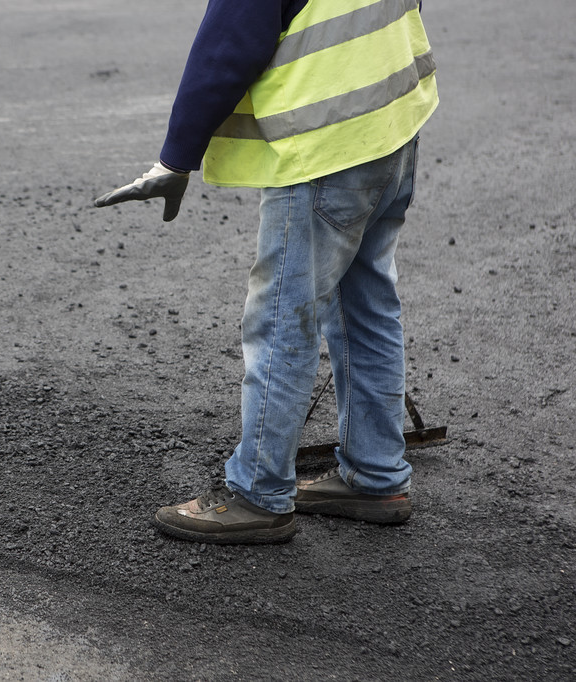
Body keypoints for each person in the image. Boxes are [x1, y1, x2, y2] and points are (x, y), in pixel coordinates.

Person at [95, 0, 438, 544]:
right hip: (392, 121)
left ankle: (258, 492)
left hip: (324, 144)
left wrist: (175, 158)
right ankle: (375, 475)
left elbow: (230, 43)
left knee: (282, 318)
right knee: (367, 303)